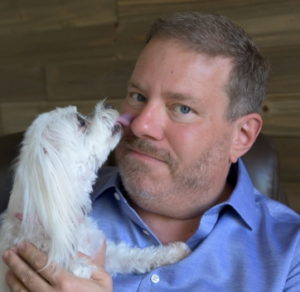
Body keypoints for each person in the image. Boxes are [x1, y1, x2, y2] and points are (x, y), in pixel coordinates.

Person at [3, 11, 300, 291]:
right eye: (138, 96)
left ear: (241, 136)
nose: (142, 124)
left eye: (183, 108)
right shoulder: (31, 221)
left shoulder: (291, 255)